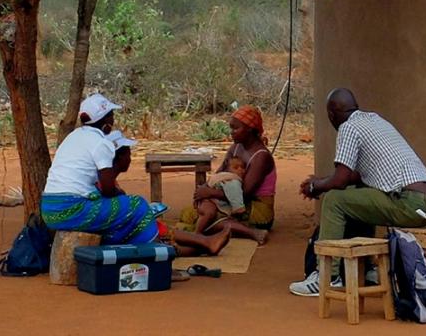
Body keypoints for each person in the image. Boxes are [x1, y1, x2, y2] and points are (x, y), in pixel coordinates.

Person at [288, 88, 426, 296]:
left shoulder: (348, 127)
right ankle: (368, 270)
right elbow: (357, 176)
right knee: (364, 193)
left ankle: (327, 277)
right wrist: (322, 182)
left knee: (334, 200)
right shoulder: (374, 120)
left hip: (411, 203)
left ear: (331, 115)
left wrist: (317, 187)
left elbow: (340, 180)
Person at [41, 94, 230, 255]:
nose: (113, 120)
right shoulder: (101, 143)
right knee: (137, 205)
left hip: (50, 209)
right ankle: (156, 259)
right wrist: (121, 198)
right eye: (111, 116)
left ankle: (173, 250)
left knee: (129, 214)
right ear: (106, 122)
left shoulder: (73, 137)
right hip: (72, 209)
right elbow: (107, 189)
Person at [178, 105, 277, 244]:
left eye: (236, 128)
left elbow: (244, 194)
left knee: (205, 218)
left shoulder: (261, 157)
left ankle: (253, 232)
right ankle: (221, 228)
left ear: (249, 129)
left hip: (257, 209)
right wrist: (204, 193)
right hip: (231, 199)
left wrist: (210, 193)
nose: (232, 132)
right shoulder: (236, 147)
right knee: (192, 213)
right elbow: (221, 174)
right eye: (231, 128)